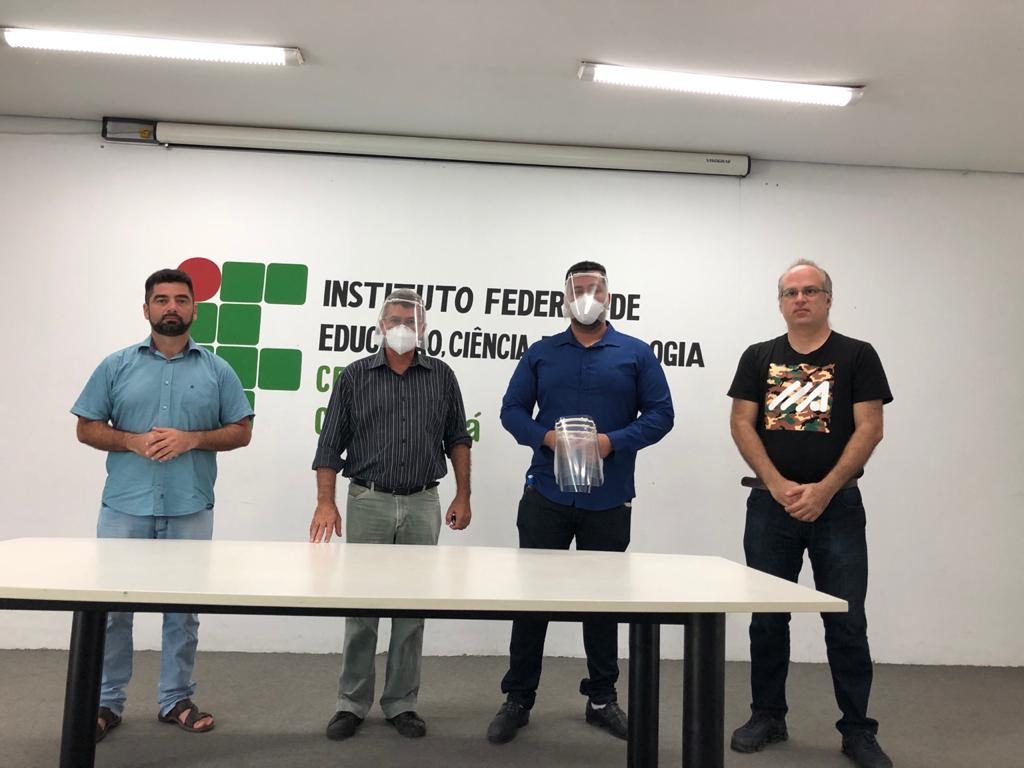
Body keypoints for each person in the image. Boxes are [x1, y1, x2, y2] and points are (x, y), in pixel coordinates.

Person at [487, 262, 674, 744]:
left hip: (608, 498)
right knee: (532, 601)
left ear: (609, 296)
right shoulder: (542, 353)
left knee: (603, 603)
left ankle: (602, 699)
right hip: (546, 494)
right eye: (578, 289)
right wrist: (547, 438)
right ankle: (518, 698)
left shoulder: (635, 353)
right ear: (565, 299)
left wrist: (613, 442)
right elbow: (511, 410)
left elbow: (661, 414)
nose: (587, 296)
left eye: (595, 288)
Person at [72, 268, 254, 742]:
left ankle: (175, 699)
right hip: (124, 509)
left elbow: (242, 431)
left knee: (182, 611)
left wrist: (193, 439)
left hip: (189, 508)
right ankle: (106, 702)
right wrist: (130, 441)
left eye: (180, 299)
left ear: (194, 309)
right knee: (113, 610)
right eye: (161, 299)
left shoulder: (218, 370)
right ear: (146, 308)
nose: (171, 307)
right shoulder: (116, 365)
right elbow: (86, 427)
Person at [727, 259, 894, 768]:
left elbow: (870, 428)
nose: (800, 298)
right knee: (767, 618)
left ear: (827, 298)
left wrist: (824, 489)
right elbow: (741, 423)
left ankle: (857, 730)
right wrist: (779, 486)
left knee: (846, 620)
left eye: (810, 290)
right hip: (769, 507)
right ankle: (767, 716)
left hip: (838, 507)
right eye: (791, 292)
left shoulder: (857, 355)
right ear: (780, 303)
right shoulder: (758, 357)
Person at [310, 288, 472, 741]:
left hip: (423, 502)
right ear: (380, 326)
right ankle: (351, 704)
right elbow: (330, 445)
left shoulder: (442, 376)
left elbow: (458, 439)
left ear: (424, 328)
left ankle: (402, 703)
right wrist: (325, 502)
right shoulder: (354, 376)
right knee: (361, 607)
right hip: (369, 500)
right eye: (395, 320)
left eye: (411, 321)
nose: (403, 327)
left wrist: (463, 495)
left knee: (412, 609)